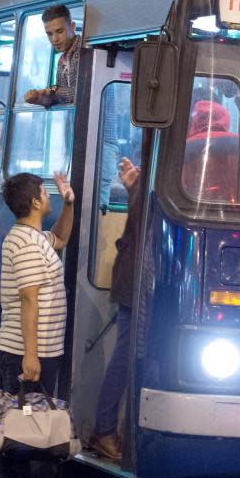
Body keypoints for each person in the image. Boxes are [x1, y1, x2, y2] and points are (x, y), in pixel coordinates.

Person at [0, 171, 75, 478]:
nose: (48, 194)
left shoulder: (34, 237)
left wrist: (69, 202)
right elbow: (29, 299)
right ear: (36, 202)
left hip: (36, 349)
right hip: (25, 351)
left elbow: (61, 238)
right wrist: (31, 355)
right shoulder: (24, 243)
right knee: (23, 427)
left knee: (25, 423)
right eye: (46, 191)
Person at [89, 158, 139, 461]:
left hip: (135, 278)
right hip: (135, 280)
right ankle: (105, 429)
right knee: (125, 354)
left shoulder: (150, 176)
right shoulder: (161, 174)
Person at [23, 4, 80, 108]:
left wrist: (53, 91)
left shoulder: (84, 51)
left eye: (59, 31)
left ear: (72, 27)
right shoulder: (62, 60)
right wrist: (39, 99)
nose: (54, 39)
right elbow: (58, 93)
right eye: (49, 34)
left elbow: (83, 92)